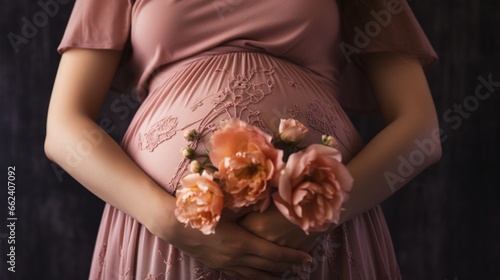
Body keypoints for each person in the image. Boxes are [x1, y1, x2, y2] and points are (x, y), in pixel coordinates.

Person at [44, 0, 441, 279]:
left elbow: (420, 130)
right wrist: (168, 221)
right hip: (165, 237)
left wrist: (318, 217)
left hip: (315, 240)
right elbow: (63, 129)